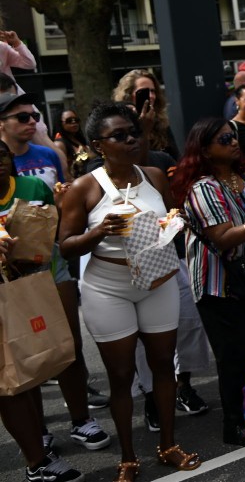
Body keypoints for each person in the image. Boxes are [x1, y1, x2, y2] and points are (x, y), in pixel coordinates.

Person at [59, 103, 199, 481]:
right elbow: (66, 245)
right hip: (108, 287)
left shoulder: (153, 175)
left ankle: (168, 444)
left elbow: (172, 215)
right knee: (120, 376)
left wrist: (176, 220)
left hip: (156, 281)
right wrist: (97, 233)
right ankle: (127, 456)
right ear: (97, 145)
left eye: (133, 132)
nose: (131, 139)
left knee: (163, 366)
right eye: (119, 135)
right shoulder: (84, 188)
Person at [0, 91, 114, 451]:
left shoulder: (47, 156)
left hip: (53, 268)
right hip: (10, 282)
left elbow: (61, 211)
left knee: (67, 346)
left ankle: (82, 420)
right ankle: (39, 433)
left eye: (34, 115)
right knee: (23, 356)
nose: (31, 122)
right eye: (21, 117)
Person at [173, 117, 245, 446]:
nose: (234, 142)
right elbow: (222, 239)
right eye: (224, 139)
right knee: (232, 355)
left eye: (233, 136)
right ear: (205, 149)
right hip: (217, 283)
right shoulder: (203, 187)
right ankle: (233, 425)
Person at [0, 139, 87, 482]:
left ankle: (50, 445)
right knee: (10, 379)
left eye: (2, 155)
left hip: (31, 284)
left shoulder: (33, 186)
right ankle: (37, 460)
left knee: (39, 361)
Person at [112, 69, 179, 159]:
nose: (151, 96)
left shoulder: (160, 122)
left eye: (153, 91)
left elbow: (176, 157)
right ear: (128, 95)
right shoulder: (118, 123)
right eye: (144, 92)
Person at [54, 110, 95, 180]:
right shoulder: (59, 144)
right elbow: (64, 175)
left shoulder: (81, 141)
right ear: (60, 123)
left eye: (76, 120)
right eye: (69, 120)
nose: (74, 122)